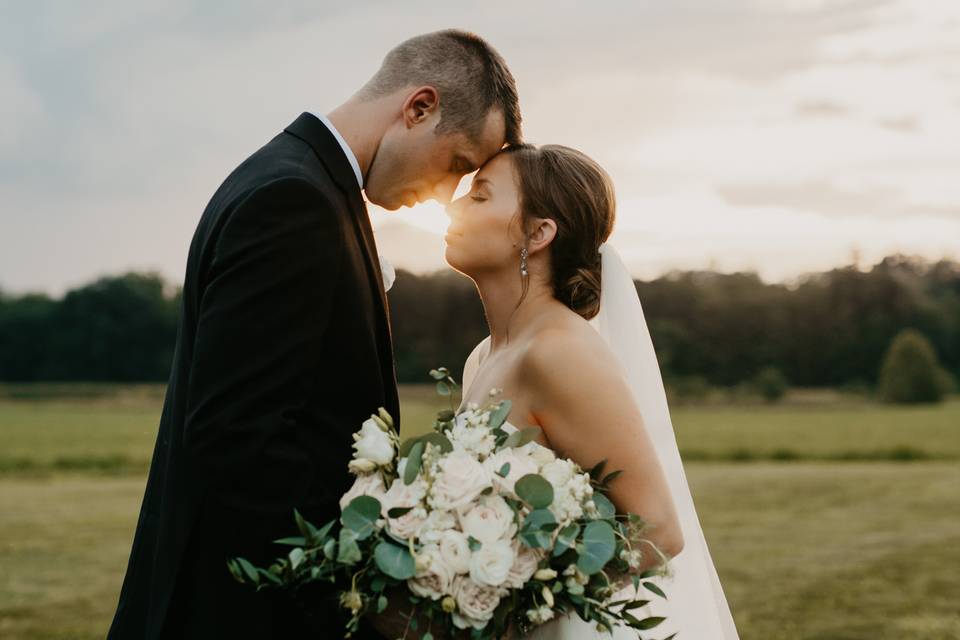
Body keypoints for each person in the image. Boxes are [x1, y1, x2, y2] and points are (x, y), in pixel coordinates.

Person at [108, 29, 521, 639]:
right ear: (419, 107)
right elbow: (238, 442)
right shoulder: (294, 201)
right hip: (241, 611)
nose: (447, 193)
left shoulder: (298, 180)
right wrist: (365, 586)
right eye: (457, 164)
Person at [447, 144, 740, 638]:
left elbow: (659, 530)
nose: (454, 207)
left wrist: (517, 601)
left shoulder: (558, 352)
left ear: (538, 233)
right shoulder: (485, 355)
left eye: (479, 196)